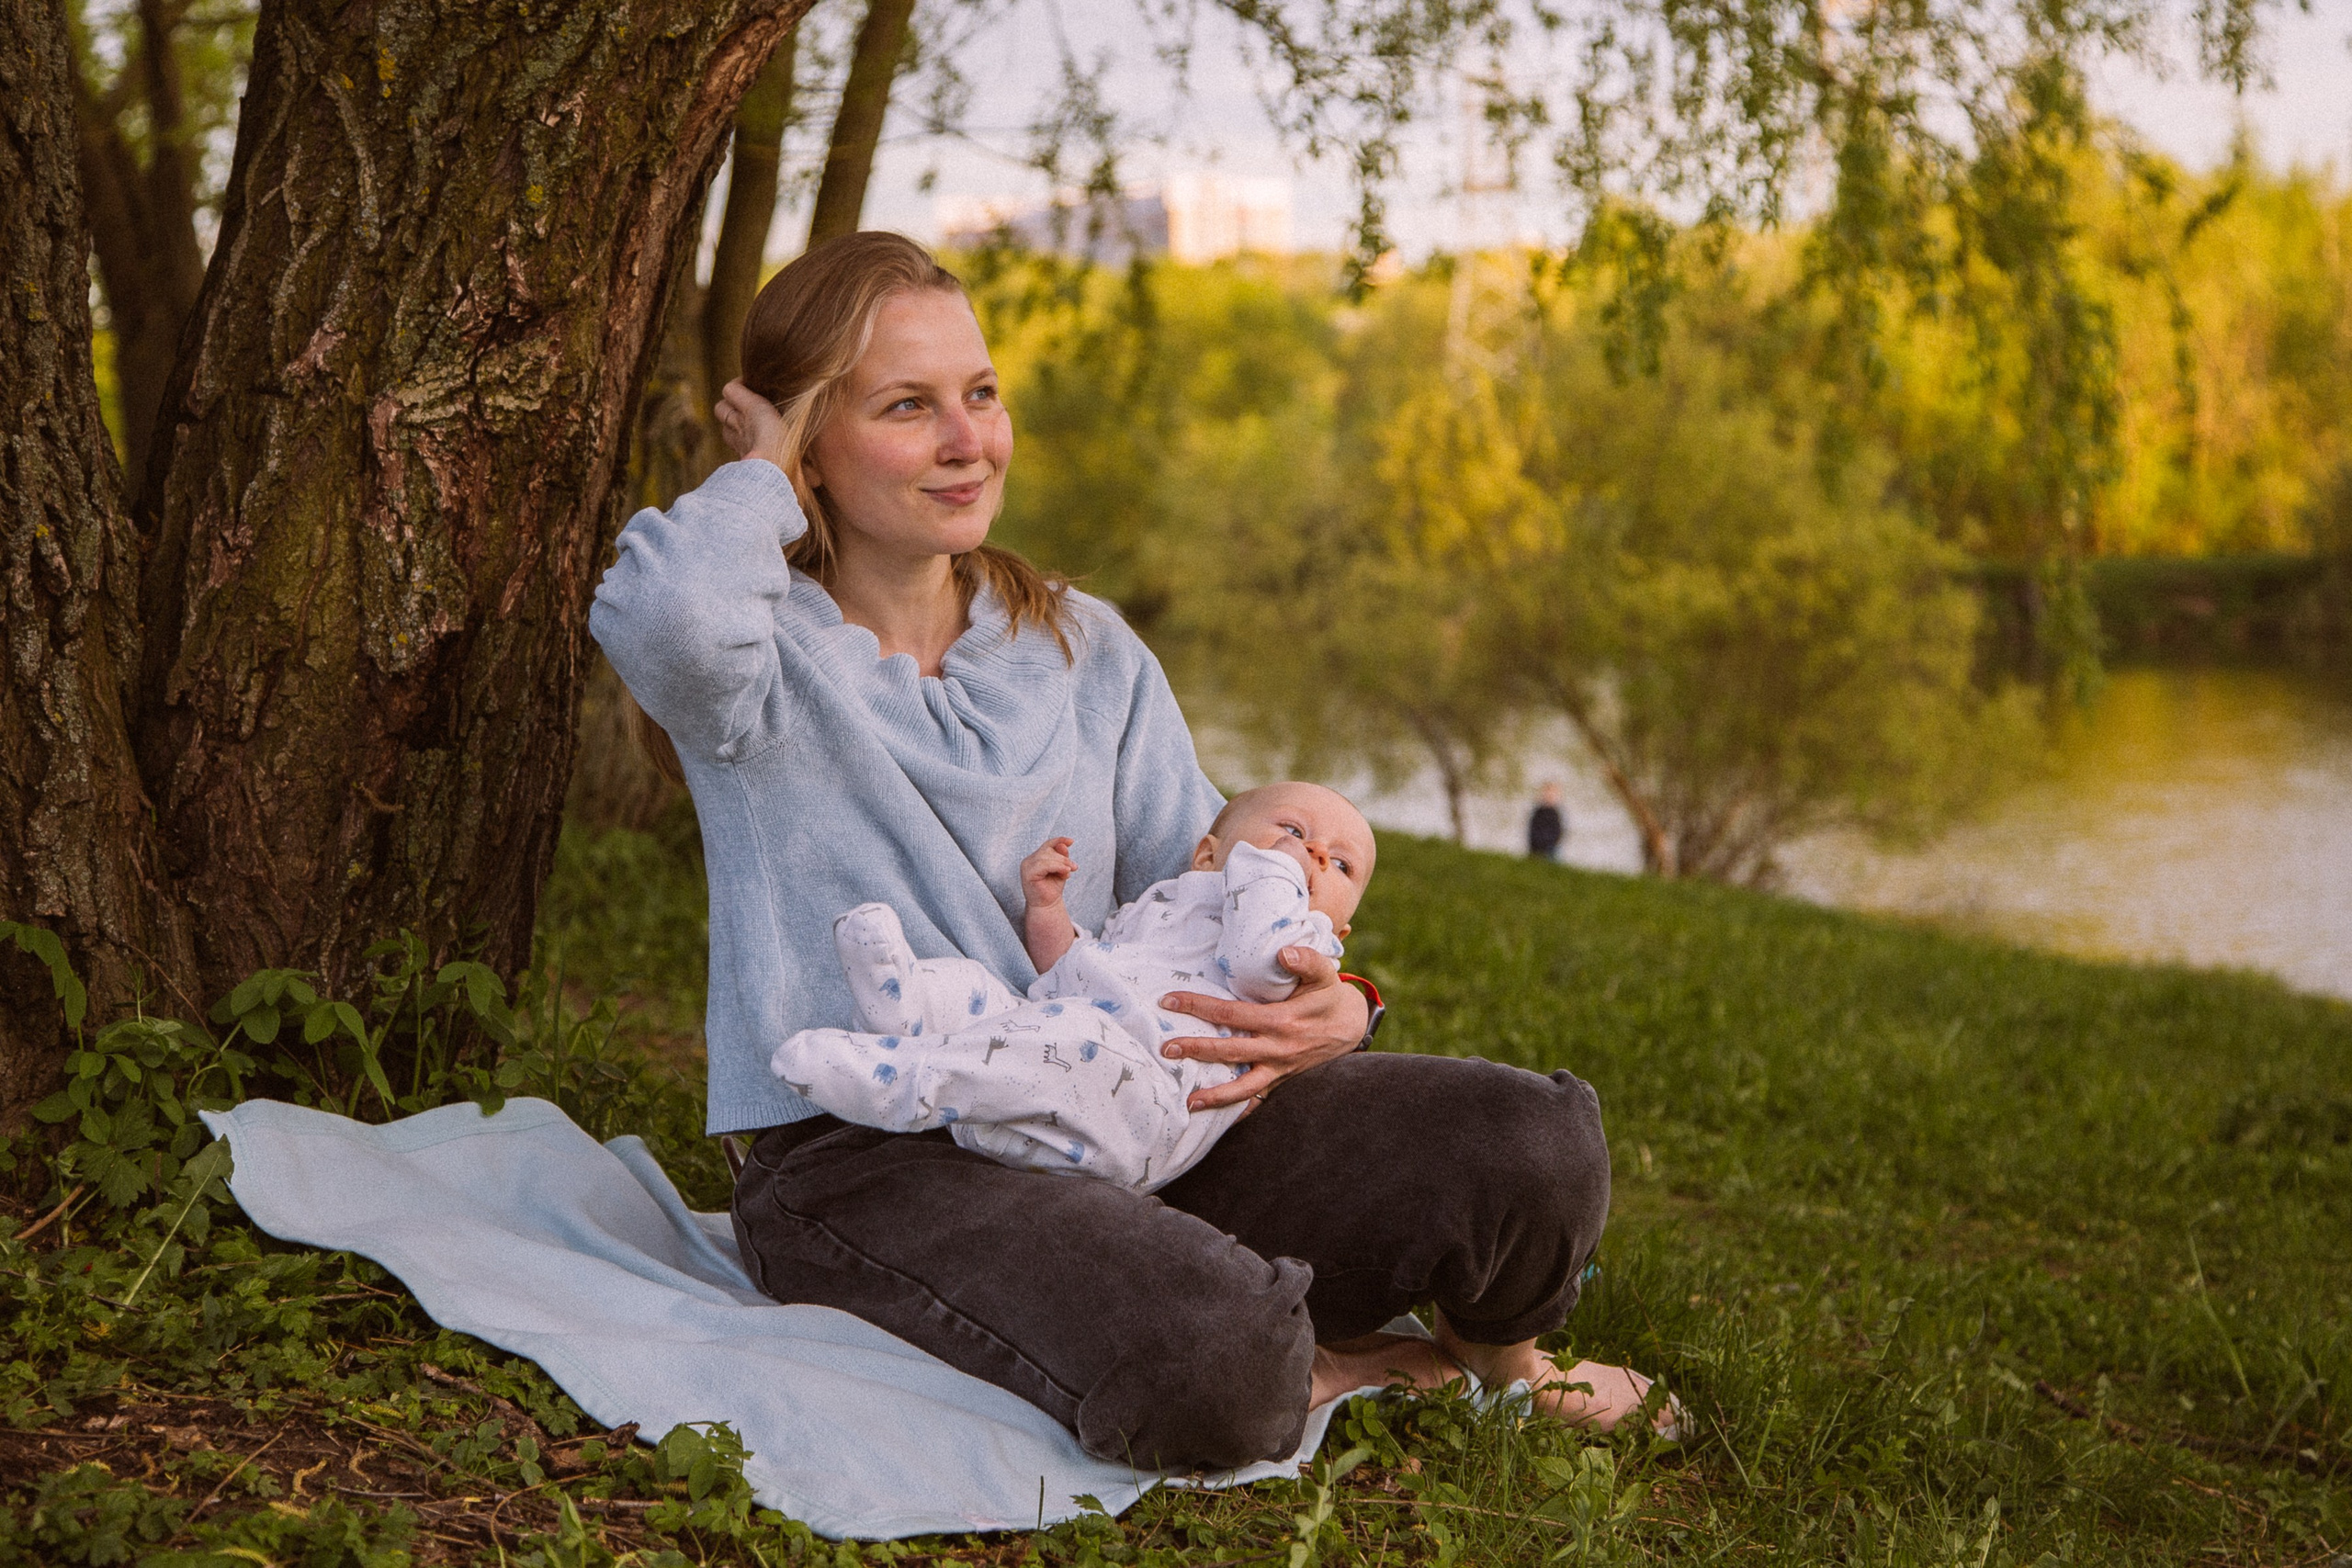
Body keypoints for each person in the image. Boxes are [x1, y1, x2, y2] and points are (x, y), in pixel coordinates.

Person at [590, 231, 1670, 1474]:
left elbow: (1221, 878)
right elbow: (659, 615)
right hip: (873, 1162)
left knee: (1526, 1138)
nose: (968, 440)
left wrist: (1343, 1008)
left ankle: (1506, 1372)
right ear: (811, 448)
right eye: (906, 407)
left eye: (981, 394)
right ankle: (1357, 1359)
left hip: (1140, 1115)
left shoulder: (1079, 643)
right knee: (1211, 1350)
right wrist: (758, 477)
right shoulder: (755, 665)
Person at [768, 783, 1367, 1193]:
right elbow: (1073, 968)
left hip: (1151, 1097)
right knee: (986, 994)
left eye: (1340, 865)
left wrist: (1274, 869)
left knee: (1060, 1038)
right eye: (1294, 829)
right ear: (1207, 856)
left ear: (1340, 926)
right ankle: (904, 1009)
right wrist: (1047, 908)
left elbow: (1257, 963)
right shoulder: (1163, 904)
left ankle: (911, 1079)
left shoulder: (1299, 936)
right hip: (1078, 1042)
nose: (1314, 852)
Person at [1528, 782, 1566, 862]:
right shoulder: (1538, 811)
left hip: (1550, 847)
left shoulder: (1555, 814)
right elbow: (1532, 829)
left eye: (1552, 795)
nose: (1549, 797)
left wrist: (1550, 842)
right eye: (1547, 794)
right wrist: (1535, 841)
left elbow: (1558, 831)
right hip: (1536, 845)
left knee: (1551, 860)